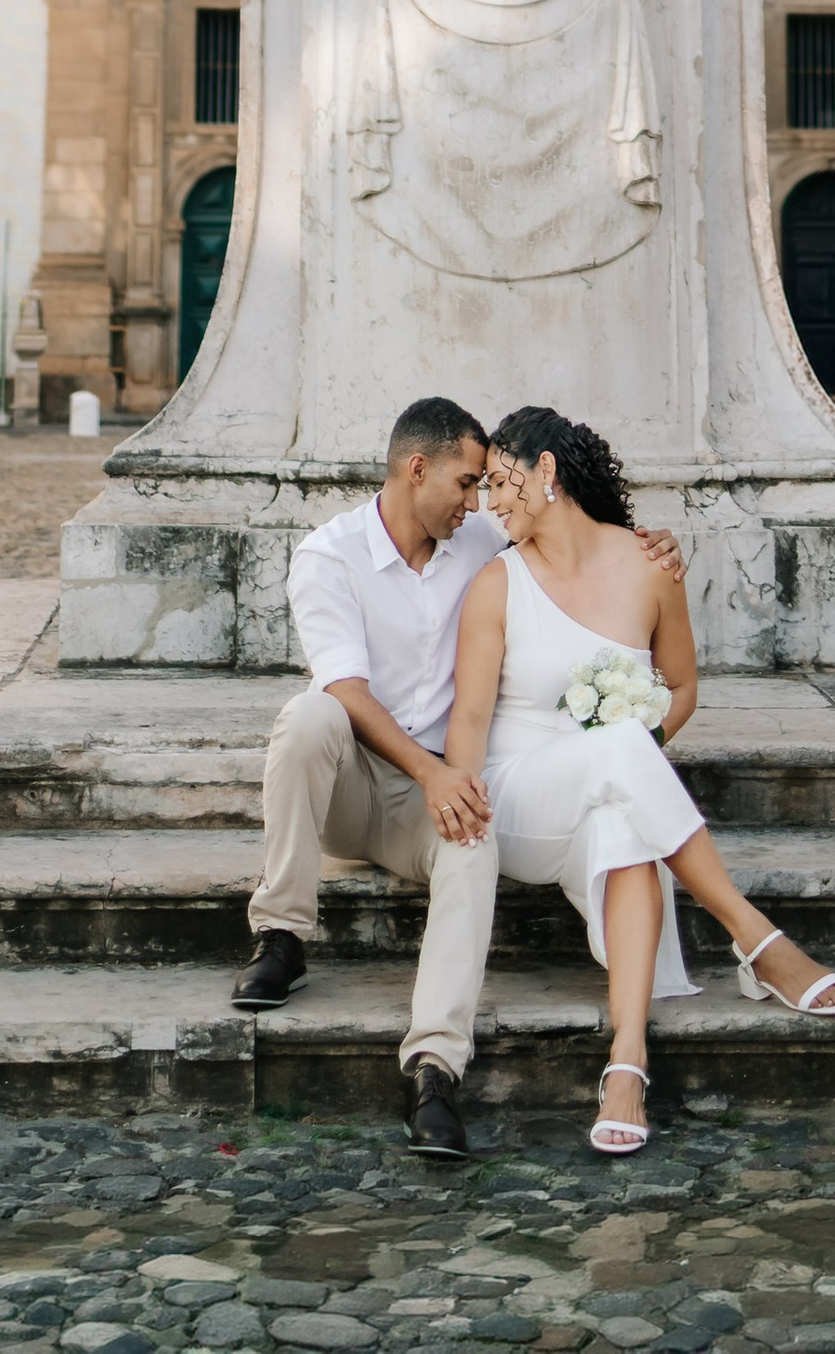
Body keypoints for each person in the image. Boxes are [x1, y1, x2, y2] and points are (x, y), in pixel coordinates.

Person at [233, 393, 685, 1158]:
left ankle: (435, 1068)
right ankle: (281, 933)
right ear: (417, 470)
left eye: (484, 487)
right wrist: (434, 772)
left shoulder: (479, 543)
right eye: (467, 483)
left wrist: (652, 547)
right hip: (352, 786)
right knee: (308, 716)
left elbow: (563, 531)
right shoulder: (328, 554)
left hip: (428, 801)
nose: (478, 501)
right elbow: (345, 688)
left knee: (477, 838)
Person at [447, 403, 835, 1156]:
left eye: (501, 482)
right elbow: (470, 719)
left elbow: (682, 690)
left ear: (548, 472)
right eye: (482, 489)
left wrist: (643, 744)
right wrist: (461, 800)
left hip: (605, 793)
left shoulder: (648, 565)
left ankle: (627, 1060)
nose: (487, 501)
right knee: (623, 751)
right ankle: (755, 937)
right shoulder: (496, 584)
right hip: (519, 801)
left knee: (624, 823)